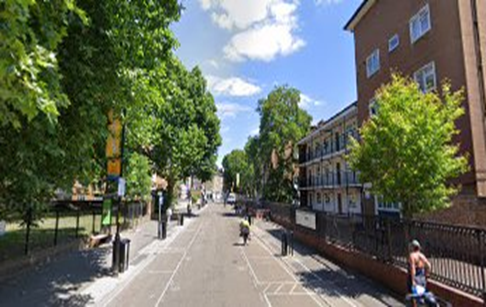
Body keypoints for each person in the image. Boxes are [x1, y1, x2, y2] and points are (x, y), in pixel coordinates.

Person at [408, 240, 437, 307]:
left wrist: (413, 280)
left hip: (416, 277)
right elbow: (429, 265)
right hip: (422, 277)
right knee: (422, 295)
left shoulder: (412, 256)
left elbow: (413, 268)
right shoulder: (422, 256)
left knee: (414, 296)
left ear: (412, 247)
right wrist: (427, 275)